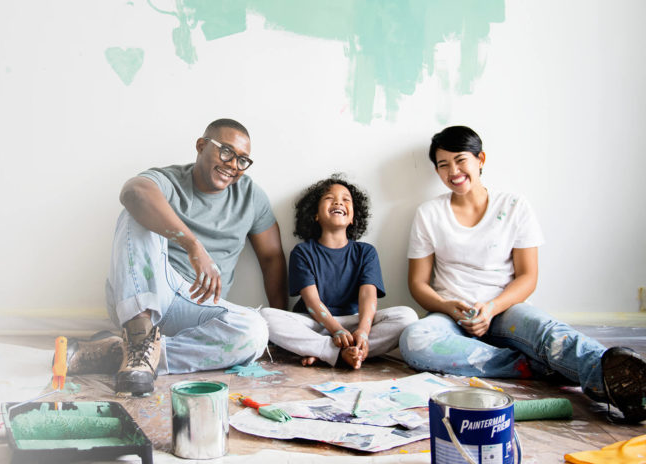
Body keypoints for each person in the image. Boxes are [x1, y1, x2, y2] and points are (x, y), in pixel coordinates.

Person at [399, 125, 646, 422]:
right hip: (452, 317)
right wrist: (448, 306)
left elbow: (528, 277)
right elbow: (418, 283)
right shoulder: (429, 213)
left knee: (548, 331)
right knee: (414, 340)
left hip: (506, 311)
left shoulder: (514, 206)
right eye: (443, 164)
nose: (453, 170)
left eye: (460, 159)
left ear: (481, 160)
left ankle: (615, 381)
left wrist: (491, 308)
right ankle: (534, 366)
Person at [66, 118, 287, 395]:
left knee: (255, 332)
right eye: (226, 152)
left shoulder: (251, 197)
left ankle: (127, 355)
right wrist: (193, 246)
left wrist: (282, 325)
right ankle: (139, 334)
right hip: (148, 292)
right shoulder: (170, 180)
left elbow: (272, 257)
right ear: (202, 146)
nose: (233, 165)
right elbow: (133, 192)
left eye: (242, 160)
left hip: (199, 308)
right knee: (135, 212)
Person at [261, 175, 417, 369]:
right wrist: (336, 331)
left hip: (353, 323)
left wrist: (363, 331)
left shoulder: (365, 252)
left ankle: (343, 350)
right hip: (315, 324)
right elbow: (312, 302)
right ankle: (334, 351)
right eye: (329, 198)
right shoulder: (303, 252)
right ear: (315, 214)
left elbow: (368, 296)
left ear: (353, 217)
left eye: (346, 199)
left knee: (407, 316)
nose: (338, 202)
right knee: (266, 317)